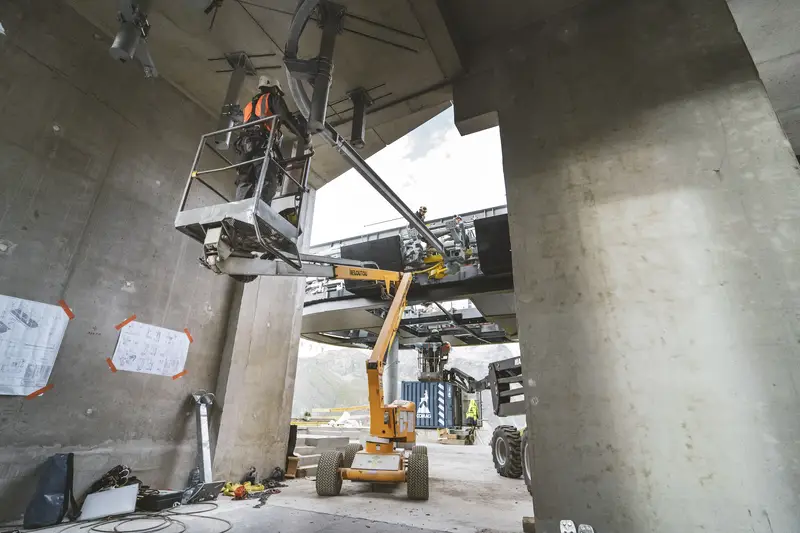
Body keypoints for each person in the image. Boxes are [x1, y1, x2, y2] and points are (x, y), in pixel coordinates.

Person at [234, 75, 309, 204]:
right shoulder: (273, 98)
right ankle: (259, 211)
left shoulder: (249, 105)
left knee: (245, 181)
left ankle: (239, 211)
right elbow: (286, 118)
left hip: (244, 147)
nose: (278, 93)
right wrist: (303, 134)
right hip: (261, 145)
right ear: (274, 88)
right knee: (268, 181)